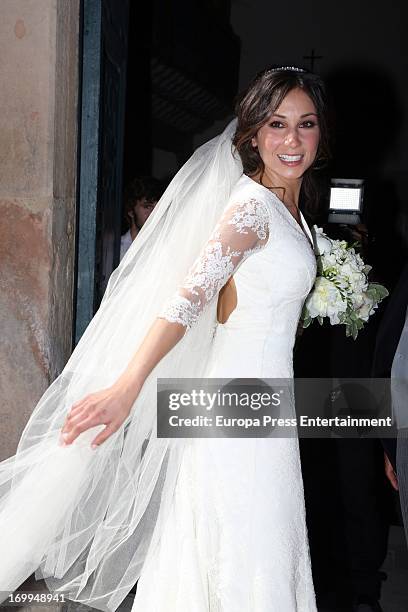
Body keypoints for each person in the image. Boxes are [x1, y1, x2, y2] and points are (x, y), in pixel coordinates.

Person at [0, 67, 329, 611]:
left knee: (248, 550)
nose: (292, 140)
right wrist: (127, 387)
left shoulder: (291, 212)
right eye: (277, 124)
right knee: (248, 552)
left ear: (320, 132)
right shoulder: (251, 208)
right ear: (252, 135)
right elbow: (185, 301)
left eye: (306, 124)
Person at [120, 176, 163, 260]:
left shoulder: (165, 247)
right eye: (147, 206)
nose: (154, 213)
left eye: (158, 207)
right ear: (131, 211)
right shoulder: (118, 250)